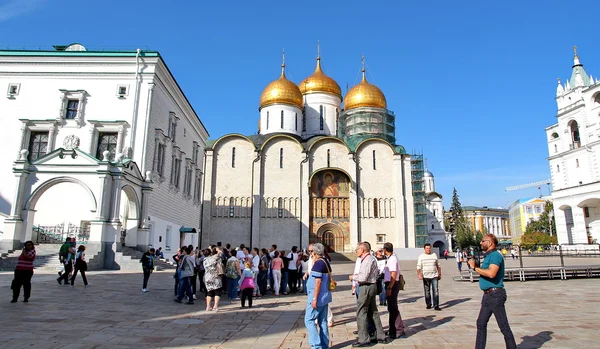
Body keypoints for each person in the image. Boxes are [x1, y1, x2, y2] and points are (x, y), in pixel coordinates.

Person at [468, 234, 517, 349]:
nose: (481, 243)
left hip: (495, 295)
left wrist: (475, 268)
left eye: (483, 241)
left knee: (503, 326)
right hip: (488, 295)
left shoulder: (495, 255)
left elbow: (491, 273)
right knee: (481, 323)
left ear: (490, 242)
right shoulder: (489, 256)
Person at [353, 242, 390, 347]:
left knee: (361, 312)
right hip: (371, 286)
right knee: (373, 311)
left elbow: (363, 277)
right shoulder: (371, 258)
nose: (356, 251)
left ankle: (364, 339)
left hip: (366, 287)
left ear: (363, 250)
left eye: (357, 249)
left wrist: (353, 277)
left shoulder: (367, 260)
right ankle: (380, 335)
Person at [304, 243, 333, 349]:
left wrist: (314, 298)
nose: (311, 253)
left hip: (317, 297)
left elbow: (318, 282)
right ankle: (325, 345)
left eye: (311, 251)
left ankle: (316, 345)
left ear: (315, 252)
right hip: (325, 296)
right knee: (323, 321)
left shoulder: (318, 264)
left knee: (309, 320)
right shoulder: (326, 262)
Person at [383, 242, 406, 339]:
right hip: (391, 284)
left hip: (392, 284)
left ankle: (399, 330)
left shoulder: (392, 259)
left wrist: (389, 287)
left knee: (393, 308)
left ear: (385, 250)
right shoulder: (392, 258)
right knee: (391, 308)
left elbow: (393, 274)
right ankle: (392, 329)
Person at [417, 243, 441, 311]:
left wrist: (439, 273)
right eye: (427, 248)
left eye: (429, 248)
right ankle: (428, 304)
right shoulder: (421, 256)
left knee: (435, 291)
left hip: (434, 275)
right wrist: (419, 274)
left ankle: (436, 305)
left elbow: (438, 265)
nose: (428, 249)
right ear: (424, 249)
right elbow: (418, 266)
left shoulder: (434, 255)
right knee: (427, 291)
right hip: (425, 276)